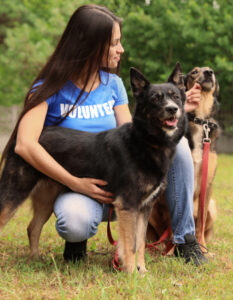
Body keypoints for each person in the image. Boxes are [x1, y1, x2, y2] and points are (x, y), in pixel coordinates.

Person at [1, 4, 207, 267]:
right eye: (114, 44)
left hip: (115, 178)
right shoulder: (49, 87)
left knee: (177, 147)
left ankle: (185, 240)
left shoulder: (113, 84)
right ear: (89, 45)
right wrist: (75, 182)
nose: (121, 50)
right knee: (74, 221)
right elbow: (25, 145)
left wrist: (174, 110)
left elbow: (134, 139)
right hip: (72, 181)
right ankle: (76, 242)